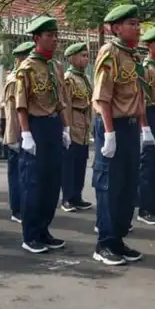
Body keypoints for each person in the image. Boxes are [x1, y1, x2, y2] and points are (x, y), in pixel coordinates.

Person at [91, 4, 149, 266]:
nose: (137, 28)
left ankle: (118, 239)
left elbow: (137, 95)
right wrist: (110, 133)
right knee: (110, 186)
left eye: (138, 24)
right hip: (112, 125)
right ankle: (104, 243)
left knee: (128, 185)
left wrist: (142, 126)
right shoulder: (110, 52)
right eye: (131, 24)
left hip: (129, 126)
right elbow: (103, 97)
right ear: (115, 28)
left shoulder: (133, 55)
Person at [16, 16, 68, 254]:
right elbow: (21, 104)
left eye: (56, 35)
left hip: (54, 126)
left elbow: (60, 100)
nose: (54, 39)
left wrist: (65, 127)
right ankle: (31, 234)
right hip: (35, 126)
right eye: (49, 35)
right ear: (37, 38)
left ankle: (44, 229)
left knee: (51, 182)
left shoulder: (56, 66)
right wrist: (26, 133)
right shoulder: (26, 68)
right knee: (34, 183)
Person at [136, 26, 155, 226]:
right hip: (149, 115)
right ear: (149, 45)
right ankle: (145, 208)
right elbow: (141, 98)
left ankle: (153, 205)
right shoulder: (146, 69)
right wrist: (145, 127)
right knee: (149, 165)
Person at [61, 42, 93, 212]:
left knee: (81, 162)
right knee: (69, 163)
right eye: (82, 56)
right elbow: (65, 104)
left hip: (85, 122)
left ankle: (77, 196)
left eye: (87, 56)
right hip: (73, 121)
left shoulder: (85, 78)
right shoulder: (68, 79)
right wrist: (66, 127)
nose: (86, 59)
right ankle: (67, 198)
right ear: (72, 58)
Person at [4, 41, 34, 223]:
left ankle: (25, 206)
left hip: (27, 132)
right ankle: (17, 209)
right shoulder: (16, 80)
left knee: (27, 174)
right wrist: (14, 136)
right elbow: (11, 111)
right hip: (18, 134)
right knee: (17, 175)